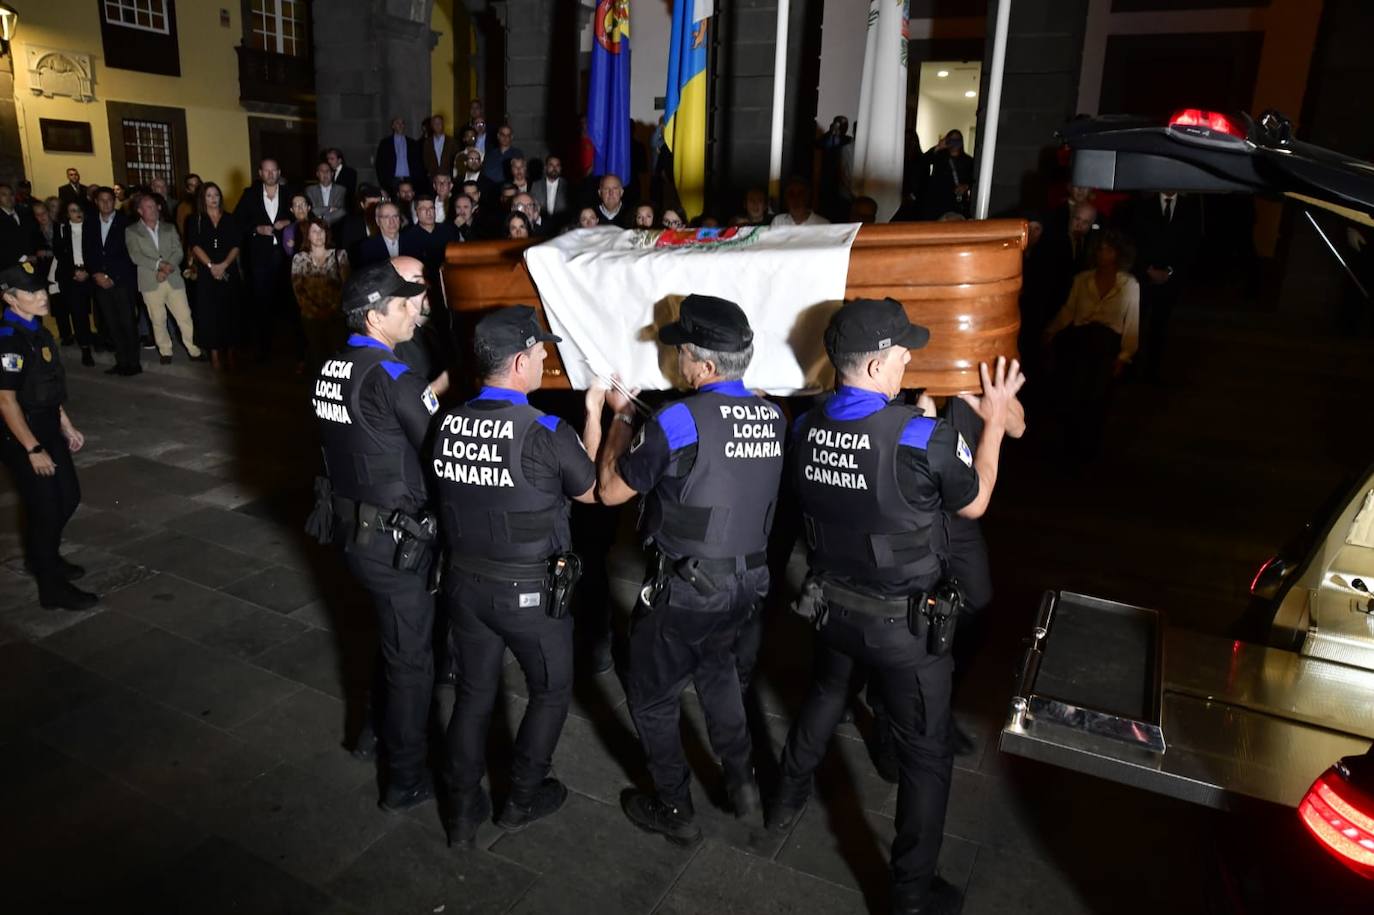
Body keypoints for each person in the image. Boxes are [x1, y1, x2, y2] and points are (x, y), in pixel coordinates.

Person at [766, 298, 1023, 915]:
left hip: (830, 608)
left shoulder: (803, 425)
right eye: (903, 349)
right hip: (904, 630)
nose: (910, 356)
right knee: (926, 759)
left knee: (826, 696)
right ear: (880, 364)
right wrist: (989, 423)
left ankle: (782, 800)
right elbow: (975, 501)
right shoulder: (919, 435)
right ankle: (909, 895)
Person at [598, 294, 786, 846]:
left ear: (703, 366)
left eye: (682, 351)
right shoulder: (772, 413)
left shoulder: (679, 419)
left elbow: (611, 491)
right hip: (749, 583)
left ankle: (674, 808)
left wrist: (622, 419)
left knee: (651, 697)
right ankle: (741, 780)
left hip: (687, 588)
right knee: (718, 673)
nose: (677, 359)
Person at [434, 306, 603, 847]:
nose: (546, 359)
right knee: (550, 691)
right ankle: (522, 799)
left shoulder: (447, 421)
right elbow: (590, 489)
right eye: (541, 352)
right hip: (531, 594)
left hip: (463, 586)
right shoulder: (547, 431)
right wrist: (598, 412)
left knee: (473, 696)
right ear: (521, 362)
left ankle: (462, 815)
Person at [305, 258, 439, 815]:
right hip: (395, 539)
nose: (413, 310)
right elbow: (441, 447)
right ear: (374, 315)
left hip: (352, 529)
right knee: (412, 660)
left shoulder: (330, 365)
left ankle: (370, 735)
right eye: (404, 303)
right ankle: (405, 779)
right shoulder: (393, 375)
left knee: (388, 641)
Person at [0, 262, 98, 610]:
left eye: (42, 290)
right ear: (11, 299)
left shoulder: (36, 328)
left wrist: (66, 424)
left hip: (46, 425)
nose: (42, 296)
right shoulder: (9, 340)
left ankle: (45, 558)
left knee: (68, 496)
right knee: (45, 510)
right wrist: (33, 448)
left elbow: (47, 385)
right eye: (32, 293)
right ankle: (51, 588)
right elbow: (6, 400)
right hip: (23, 436)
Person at [1043, 229, 1139, 461]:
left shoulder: (1129, 284)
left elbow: (1131, 322)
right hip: (1081, 340)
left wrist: (1124, 356)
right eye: (1099, 249)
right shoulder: (1082, 279)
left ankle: (1089, 450)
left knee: (1097, 399)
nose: (1101, 254)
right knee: (1073, 394)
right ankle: (1069, 448)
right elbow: (1069, 310)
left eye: (1107, 249)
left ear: (1117, 254)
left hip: (1107, 344)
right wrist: (1050, 331)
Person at [1128, 190, 1201, 382]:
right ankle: (1129, 366)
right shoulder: (1143, 205)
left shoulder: (1190, 208)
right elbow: (1134, 241)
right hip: (1143, 277)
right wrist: (1147, 269)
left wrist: (1169, 272)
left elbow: (1191, 245)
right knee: (1136, 322)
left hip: (1171, 281)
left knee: (1159, 326)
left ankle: (1152, 370)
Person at [125, 193, 203, 365]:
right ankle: (165, 350)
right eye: (149, 206)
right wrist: (159, 265)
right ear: (139, 211)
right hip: (150, 282)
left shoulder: (169, 227)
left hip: (173, 279)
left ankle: (193, 349)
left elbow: (179, 251)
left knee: (185, 316)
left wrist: (168, 268)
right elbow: (136, 256)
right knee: (158, 319)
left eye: (155, 205)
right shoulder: (131, 231)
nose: (154, 209)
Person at [234, 158, 294, 363]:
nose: (270, 174)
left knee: (288, 300)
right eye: (266, 171)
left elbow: (304, 216)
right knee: (261, 302)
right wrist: (255, 229)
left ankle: (292, 349)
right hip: (259, 256)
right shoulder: (249, 195)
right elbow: (238, 221)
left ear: (279, 172)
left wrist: (289, 222)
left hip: (286, 256)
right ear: (260, 173)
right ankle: (263, 348)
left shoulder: (289, 194)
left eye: (274, 171)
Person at [186, 182, 244, 371]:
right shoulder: (195, 219)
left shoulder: (230, 218)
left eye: (216, 195)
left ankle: (232, 352)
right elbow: (194, 245)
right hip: (206, 271)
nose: (213, 199)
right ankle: (215, 355)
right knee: (210, 314)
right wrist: (211, 266)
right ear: (202, 198)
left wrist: (224, 265)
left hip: (228, 270)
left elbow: (236, 244)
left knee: (231, 312)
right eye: (209, 195)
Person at [85, 187, 141, 376]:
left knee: (127, 322)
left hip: (122, 281)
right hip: (100, 281)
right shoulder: (90, 222)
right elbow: (88, 251)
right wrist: (96, 274)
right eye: (102, 200)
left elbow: (130, 255)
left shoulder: (127, 222)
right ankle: (121, 361)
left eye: (110, 200)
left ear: (115, 201)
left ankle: (133, 363)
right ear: (96, 202)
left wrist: (112, 277)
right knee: (111, 323)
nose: (106, 203)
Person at [291, 216, 349, 369]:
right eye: (314, 231)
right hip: (311, 317)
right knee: (318, 357)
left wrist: (331, 309)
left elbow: (346, 286)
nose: (319, 234)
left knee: (338, 357)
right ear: (307, 235)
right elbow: (299, 291)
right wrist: (317, 311)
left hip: (336, 316)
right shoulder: (299, 259)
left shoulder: (340, 255)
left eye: (322, 230)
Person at [53, 201, 97, 367]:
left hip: (91, 273)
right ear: (67, 214)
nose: (77, 213)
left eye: (79, 210)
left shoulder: (91, 227)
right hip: (71, 276)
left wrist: (89, 271)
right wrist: (74, 272)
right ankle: (85, 349)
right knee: (79, 314)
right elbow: (60, 254)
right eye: (72, 211)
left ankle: (104, 340)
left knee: (100, 310)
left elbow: (97, 251)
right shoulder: (62, 229)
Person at [919, 130, 974, 220]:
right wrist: (938, 147)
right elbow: (922, 162)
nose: (955, 143)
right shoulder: (939, 156)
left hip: (955, 204)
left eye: (957, 140)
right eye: (951, 139)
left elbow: (974, 180)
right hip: (935, 203)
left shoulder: (968, 161)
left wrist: (966, 186)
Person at [0, 183, 45, 268]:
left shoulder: (24, 213)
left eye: (11, 194)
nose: (9, 197)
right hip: (10, 265)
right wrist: (23, 258)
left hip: (33, 260)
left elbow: (32, 236)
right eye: (4, 195)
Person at [375, 117, 424, 192]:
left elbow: (418, 162)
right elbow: (380, 163)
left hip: (409, 180)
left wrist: (416, 179)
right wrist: (384, 182)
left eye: (402, 123)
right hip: (392, 180)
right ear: (393, 126)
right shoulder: (385, 143)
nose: (400, 125)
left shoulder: (412, 143)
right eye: (397, 123)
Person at [357, 201, 405, 266]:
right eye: (386, 217)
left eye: (395, 216)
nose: (392, 221)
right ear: (377, 221)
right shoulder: (367, 247)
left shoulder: (412, 241)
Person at [531, 155, 569, 226]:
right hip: (541, 225)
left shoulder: (568, 186)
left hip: (562, 225)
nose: (554, 168)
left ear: (560, 168)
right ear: (545, 167)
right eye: (551, 165)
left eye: (557, 165)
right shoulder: (536, 185)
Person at [307, 162, 348, 227]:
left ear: (332, 174)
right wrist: (329, 208)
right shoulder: (310, 190)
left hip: (336, 226)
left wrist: (323, 219)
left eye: (327, 171)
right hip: (315, 226)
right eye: (322, 171)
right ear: (317, 174)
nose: (325, 173)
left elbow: (341, 211)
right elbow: (313, 210)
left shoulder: (341, 190)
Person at [422, 114, 457, 179]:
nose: (437, 125)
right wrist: (430, 170)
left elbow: (455, 158)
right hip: (433, 176)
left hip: (448, 176)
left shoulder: (452, 141)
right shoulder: (427, 142)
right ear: (432, 126)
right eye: (435, 123)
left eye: (439, 123)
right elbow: (426, 159)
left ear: (443, 124)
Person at [281, 192, 314, 259]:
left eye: (303, 204)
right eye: (296, 205)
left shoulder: (319, 226)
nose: (300, 208)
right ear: (292, 210)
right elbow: (291, 253)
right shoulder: (288, 230)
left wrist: (297, 244)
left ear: (309, 207)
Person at [175, 173, 201, 239]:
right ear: (187, 189)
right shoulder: (183, 207)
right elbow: (183, 230)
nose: (196, 187)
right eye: (192, 185)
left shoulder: (210, 202)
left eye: (197, 184)